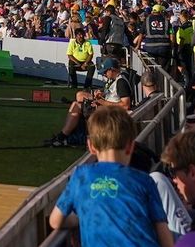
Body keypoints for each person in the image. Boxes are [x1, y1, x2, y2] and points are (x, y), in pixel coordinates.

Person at [49, 105, 174, 247]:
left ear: (90, 146)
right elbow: (163, 232)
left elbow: (55, 221)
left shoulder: (80, 176)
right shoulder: (145, 181)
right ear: (131, 146)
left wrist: (81, 216)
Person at [48, 58, 134, 146]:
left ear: (112, 70)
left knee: (76, 106)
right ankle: (68, 135)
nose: (104, 75)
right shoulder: (116, 78)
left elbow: (125, 106)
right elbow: (114, 94)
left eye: (105, 72)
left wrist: (101, 102)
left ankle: (63, 136)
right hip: (106, 105)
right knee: (79, 97)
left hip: (110, 111)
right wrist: (101, 94)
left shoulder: (121, 82)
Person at [68, 25, 96, 90]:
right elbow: (69, 55)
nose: (81, 36)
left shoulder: (88, 43)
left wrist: (85, 63)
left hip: (86, 61)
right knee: (70, 65)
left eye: (82, 35)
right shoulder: (72, 43)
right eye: (79, 35)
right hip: (75, 62)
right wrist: (78, 63)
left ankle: (86, 86)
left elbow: (90, 54)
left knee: (92, 66)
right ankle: (74, 84)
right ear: (76, 36)